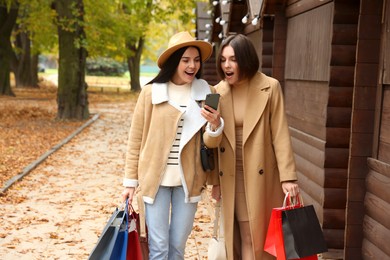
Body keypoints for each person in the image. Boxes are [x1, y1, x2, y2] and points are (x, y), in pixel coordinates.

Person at [121, 31, 222, 260]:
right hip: (155, 180)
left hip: (189, 180)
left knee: (177, 247)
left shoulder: (207, 93)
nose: (192, 65)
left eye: (196, 60)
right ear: (173, 61)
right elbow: (136, 138)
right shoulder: (150, 93)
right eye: (185, 60)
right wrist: (130, 182)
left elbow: (211, 144)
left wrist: (215, 125)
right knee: (158, 248)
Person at [201, 34, 300, 259]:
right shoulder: (216, 92)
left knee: (256, 237)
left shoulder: (270, 87)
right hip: (231, 174)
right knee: (245, 236)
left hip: (262, 173)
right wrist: (215, 180)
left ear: (245, 59)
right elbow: (209, 143)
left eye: (233, 59)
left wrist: (288, 177)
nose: (226, 65)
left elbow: (280, 133)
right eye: (223, 60)